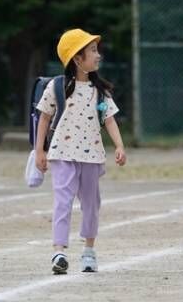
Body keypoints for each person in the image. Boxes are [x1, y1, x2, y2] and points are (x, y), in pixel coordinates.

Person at [35, 28, 126, 274]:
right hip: (62, 154)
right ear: (77, 58)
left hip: (92, 156)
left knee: (91, 204)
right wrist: (39, 151)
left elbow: (109, 119)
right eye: (93, 51)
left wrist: (119, 145)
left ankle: (88, 251)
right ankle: (59, 252)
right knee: (62, 202)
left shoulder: (100, 90)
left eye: (97, 50)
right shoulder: (57, 87)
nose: (98, 56)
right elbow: (43, 118)